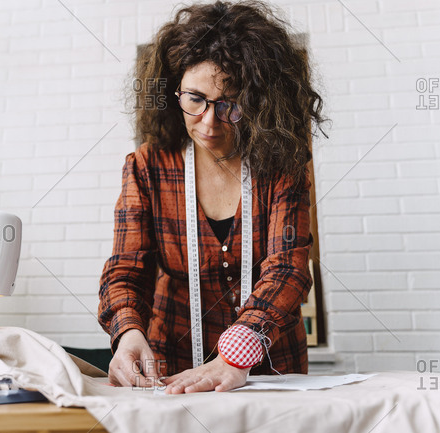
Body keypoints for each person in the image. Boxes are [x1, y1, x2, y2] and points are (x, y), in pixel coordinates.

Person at [98, 0, 328, 394]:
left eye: (230, 106)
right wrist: (127, 332)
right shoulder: (147, 167)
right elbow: (126, 270)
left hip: (270, 370)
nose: (208, 121)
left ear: (259, 104)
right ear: (175, 91)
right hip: (171, 367)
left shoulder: (281, 166)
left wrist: (238, 352)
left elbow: (289, 270)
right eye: (195, 99)